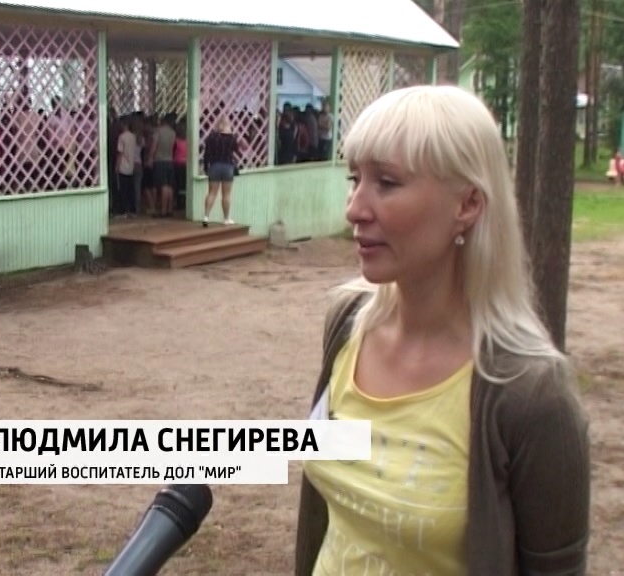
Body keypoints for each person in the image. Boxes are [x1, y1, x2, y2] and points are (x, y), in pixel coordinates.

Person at [295, 85, 590, 576]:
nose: (355, 209)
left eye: (387, 182)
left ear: (467, 204)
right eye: (355, 179)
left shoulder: (531, 394)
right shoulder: (347, 323)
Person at [202, 117, 239, 226]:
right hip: (228, 166)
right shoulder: (232, 138)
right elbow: (236, 150)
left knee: (212, 193)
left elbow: (206, 154)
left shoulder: (211, 137)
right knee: (226, 194)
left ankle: (206, 217)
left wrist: (206, 167)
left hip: (214, 166)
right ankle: (226, 218)